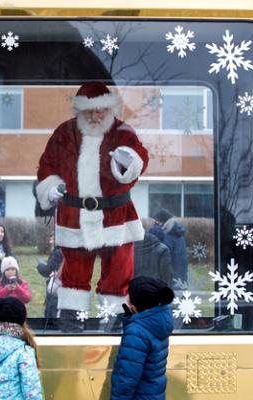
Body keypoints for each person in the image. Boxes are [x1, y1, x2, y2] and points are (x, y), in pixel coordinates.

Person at [35, 81, 149, 321]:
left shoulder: (123, 132)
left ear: (110, 110)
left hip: (116, 217)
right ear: (79, 110)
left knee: (118, 271)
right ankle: (71, 317)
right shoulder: (64, 134)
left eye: (101, 110)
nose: (96, 115)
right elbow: (47, 165)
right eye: (90, 110)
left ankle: (116, 318)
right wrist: (52, 186)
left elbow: (140, 160)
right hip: (74, 217)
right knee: (74, 270)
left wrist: (129, 162)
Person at [106, 276, 174, 400]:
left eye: (130, 296)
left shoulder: (137, 332)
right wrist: (132, 319)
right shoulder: (157, 321)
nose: (126, 298)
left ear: (137, 303)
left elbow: (128, 378)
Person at [150, 209, 188, 286]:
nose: (155, 223)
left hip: (174, 272)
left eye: (156, 221)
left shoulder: (169, 234)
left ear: (162, 221)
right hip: (180, 270)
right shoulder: (175, 229)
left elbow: (162, 253)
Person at [37, 233, 64, 319]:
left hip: (56, 287)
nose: (50, 242)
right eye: (50, 239)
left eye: (53, 239)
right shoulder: (61, 250)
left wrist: (40, 265)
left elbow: (48, 270)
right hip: (62, 287)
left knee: (52, 312)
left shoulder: (58, 252)